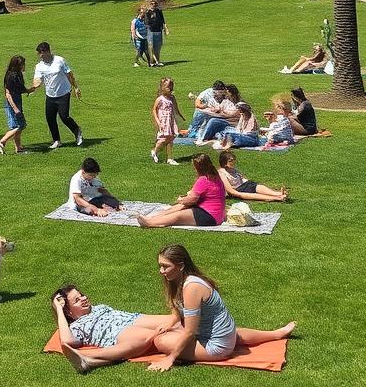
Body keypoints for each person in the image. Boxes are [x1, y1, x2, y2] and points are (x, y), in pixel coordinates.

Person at [145, 245, 295, 370]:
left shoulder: (192, 287)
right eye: (160, 266)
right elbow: (178, 307)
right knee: (172, 331)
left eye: (166, 266)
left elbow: (190, 331)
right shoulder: (178, 280)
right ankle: (276, 334)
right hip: (223, 333)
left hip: (216, 346)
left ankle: (226, 349)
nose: (161, 271)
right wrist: (171, 322)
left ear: (181, 266)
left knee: (160, 341)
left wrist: (170, 358)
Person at [52, 284, 179, 373]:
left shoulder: (96, 308)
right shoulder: (77, 326)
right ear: (68, 312)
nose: (84, 299)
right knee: (157, 336)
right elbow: (66, 342)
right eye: (77, 300)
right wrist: (59, 309)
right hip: (118, 331)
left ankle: (93, 360)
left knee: (175, 320)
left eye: (82, 295)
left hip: (133, 318)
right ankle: (88, 357)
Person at [135, 154, 226, 228]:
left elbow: (191, 200)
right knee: (179, 207)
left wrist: (180, 199)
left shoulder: (203, 180)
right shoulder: (215, 177)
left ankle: (151, 223)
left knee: (178, 215)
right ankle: (154, 218)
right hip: (218, 214)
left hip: (209, 216)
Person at [32, 41, 83, 149]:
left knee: (64, 116)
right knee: (50, 118)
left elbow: (69, 74)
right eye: (39, 55)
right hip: (50, 95)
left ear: (48, 52)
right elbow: (37, 80)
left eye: (42, 55)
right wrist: (33, 87)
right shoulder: (39, 66)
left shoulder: (59, 61)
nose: (41, 57)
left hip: (63, 93)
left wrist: (76, 87)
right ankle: (56, 140)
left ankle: (77, 130)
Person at [217, 151, 287, 203]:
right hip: (237, 190)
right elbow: (231, 191)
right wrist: (240, 194)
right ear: (224, 163)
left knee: (256, 186)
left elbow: (243, 178)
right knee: (254, 194)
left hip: (244, 185)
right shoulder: (221, 173)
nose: (233, 162)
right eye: (230, 161)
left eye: (233, 160)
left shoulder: (233, 169)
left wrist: (249, 183)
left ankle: (278, 194)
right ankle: (277, 198)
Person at [0, 54, 31, 155]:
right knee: (20, 125)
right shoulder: (11, 76)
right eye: (22, 64)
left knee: (18, 126)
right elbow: (8, 94)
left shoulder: (18, 74)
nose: (24, 66)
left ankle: (18, 148)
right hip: (12, 102)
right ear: (17, 65)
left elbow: (20, 89)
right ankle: (2, 142)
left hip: (18, 100)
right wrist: (15, 109)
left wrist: (30, 89)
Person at [151, 77, 184, 165]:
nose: (170, 89)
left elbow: (175, 108)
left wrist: (180, 116)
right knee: (163, 138)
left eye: (171, 87)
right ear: (163, 88)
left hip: (170, 120)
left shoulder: (172, 98)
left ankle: (170, 158)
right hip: (163, 121)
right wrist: (158, 122)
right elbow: (154, 110)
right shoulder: (160, 99)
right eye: (168, 87)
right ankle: (154, 150)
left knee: (171, 137)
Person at [143, 0, 168, 66]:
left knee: (158, 47)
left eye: (155, 4)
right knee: (151, 47)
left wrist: (165, 28)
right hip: (150, 31)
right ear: (150, 4)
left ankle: (157, 61)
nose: (153, 5)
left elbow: (163, 20)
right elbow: (146, 22)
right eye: (152, 4)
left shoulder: (159, 11)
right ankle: (152, 62)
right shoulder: (147, 12)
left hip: (159, 31)